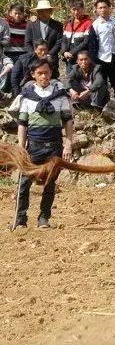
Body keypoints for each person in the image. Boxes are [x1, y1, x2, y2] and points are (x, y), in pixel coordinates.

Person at [12, 56, 74, 230]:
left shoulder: (60, 96)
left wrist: (68, 144)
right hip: (34, 147)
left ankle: (44, 218)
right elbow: (22, 125)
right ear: (33, 75)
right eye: (40, 73)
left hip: (54, 146)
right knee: (24, 183)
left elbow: (68, 122)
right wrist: (20, 148)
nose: (44, 76)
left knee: (49, 184)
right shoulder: (27, 97)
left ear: (51, 73)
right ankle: (20, 219)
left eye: (46, 73)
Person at [87, 0, 115, 102]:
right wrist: (93, 61)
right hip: (101, 58)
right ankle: (104, 106)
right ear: (97, 10)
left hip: (114, 57)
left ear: (109, 8)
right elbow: (92, 44)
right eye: (100, 8)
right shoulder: (95, 25)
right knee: (102, 84)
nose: (103, 10)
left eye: (105, 7)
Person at [25, 0, 63, 78]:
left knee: (52, 80)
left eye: (46, 11)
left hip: (51, 59)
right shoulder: (31, 25)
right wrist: (34, 54)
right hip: (34, 60)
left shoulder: (58, 25)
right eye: (41, 11)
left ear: (50, 12)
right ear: (38, 12)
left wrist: (49, 54)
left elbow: (59, 42)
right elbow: (27, 42)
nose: (44, 13)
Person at [61, 0, 93, 75]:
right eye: (73, 9)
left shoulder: (88, 23)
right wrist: (64, 52)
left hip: (82, 59)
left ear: (82, 9)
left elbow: (85, 42)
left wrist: (71, 53)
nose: (76, 12)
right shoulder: (68, 23)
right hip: (69, 59)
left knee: (81, 81)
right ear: (70, 10)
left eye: (78, 9)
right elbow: (64, 40)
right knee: (70, 80)